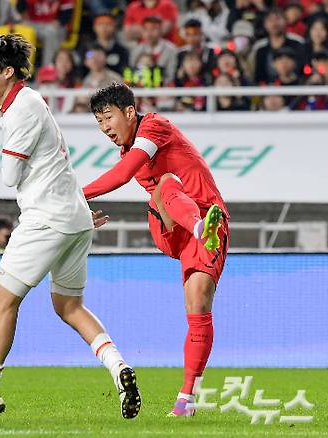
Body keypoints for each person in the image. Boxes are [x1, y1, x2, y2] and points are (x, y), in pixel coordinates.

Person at [0, 33, 141, 426]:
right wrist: (78, 210)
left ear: (7, 71)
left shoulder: (22, 107)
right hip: (72, 217)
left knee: (1, 303)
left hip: (44, 220)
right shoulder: (26, 102)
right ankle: (117, 366)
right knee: (68, 306)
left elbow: (9, 176)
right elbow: (58, 167)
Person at [83, 82, 229, 417]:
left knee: (198, 304)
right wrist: (75, 205)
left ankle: (187, 399)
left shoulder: (155, 127)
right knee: (166, 184)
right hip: (174, 224)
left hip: (209, 218)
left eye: (108, 118)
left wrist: (73, 196)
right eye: (99, 122)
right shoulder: (129, 151)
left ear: (130, 113)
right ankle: (196, 227)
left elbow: (120, 176)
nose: (104, 128)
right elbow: (123, 174)